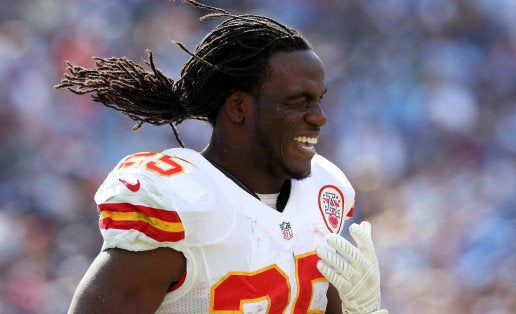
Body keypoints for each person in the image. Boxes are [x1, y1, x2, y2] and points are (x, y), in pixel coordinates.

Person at [55, 1, 387, 313]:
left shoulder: (323, 190)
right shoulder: (185, 202)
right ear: (239, 106)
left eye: (318, 99)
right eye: (296, 100)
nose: (318, 117)